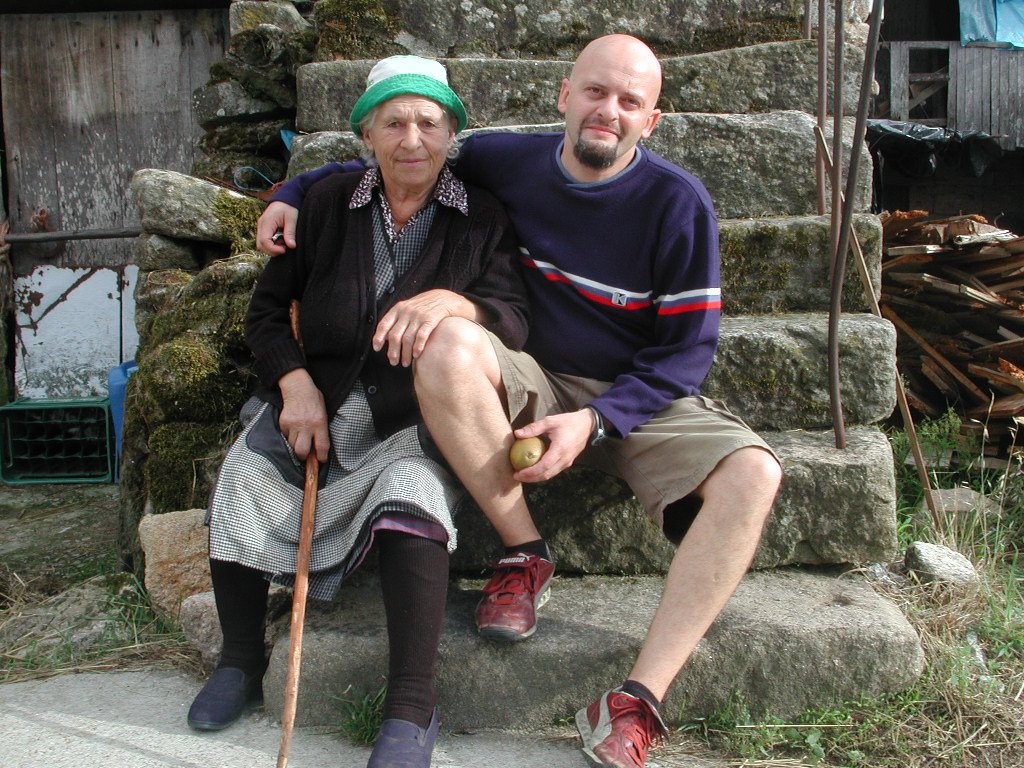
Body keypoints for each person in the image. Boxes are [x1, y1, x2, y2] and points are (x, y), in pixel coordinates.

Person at [257, 34, 783, 768]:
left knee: (756, 474)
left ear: (651, 120)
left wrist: (597, 421)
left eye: (630, 101)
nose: (609, 111)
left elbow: (687, 355)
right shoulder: (504, 158)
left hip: (636, 394)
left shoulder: (677, 204)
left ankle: (636, 701)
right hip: (527, 371)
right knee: (443, 339)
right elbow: (394, 153)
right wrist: (286, 195)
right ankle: (525, 553)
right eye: (596, 92)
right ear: (564, 95)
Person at [188, 55, 529, 768]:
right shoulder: (324, 205)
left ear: (451, 135)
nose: (413, 139)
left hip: (411, 416)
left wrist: (457, 303)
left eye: (430, 123)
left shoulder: (482, 219)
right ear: (367, 134)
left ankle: (411, 705)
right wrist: (295, 386)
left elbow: (514, 319)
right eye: (394, 122)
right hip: (315, 401)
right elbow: (265, 318)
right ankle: (240, 662)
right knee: (242, 474)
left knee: (415, 500)